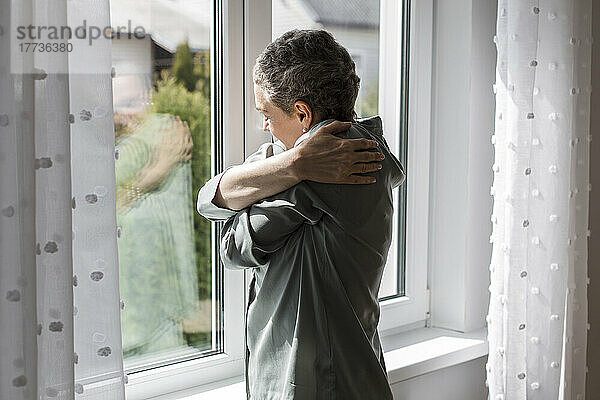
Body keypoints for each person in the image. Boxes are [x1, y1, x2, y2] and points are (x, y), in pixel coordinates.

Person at [197, 30, 405, 400]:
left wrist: (286, 170)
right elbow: (210, 198)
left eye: (266, 114)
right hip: (347, 367)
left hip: (315, 381)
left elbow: (233, 247)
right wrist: (293, 161)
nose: (264, 126)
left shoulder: (336, 170)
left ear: (302, 113)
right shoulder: (324, 157)